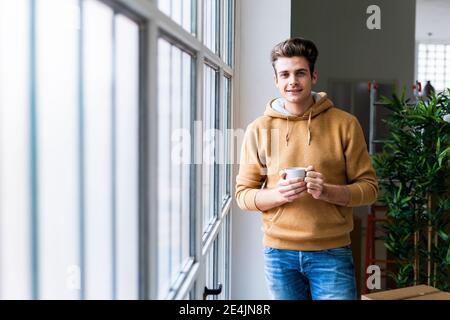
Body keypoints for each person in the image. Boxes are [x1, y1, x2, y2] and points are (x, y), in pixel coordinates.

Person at [235, 37, 378, 300]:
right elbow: (243, 195)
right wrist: (279, 194)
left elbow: (369, 190)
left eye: (300, 73)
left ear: (313, 75)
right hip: (279, 256)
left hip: (332, 252)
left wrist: (328, 192)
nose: (293, 81)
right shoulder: (259, 129)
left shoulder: (345, 124)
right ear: (276, 79)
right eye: (285, 74)